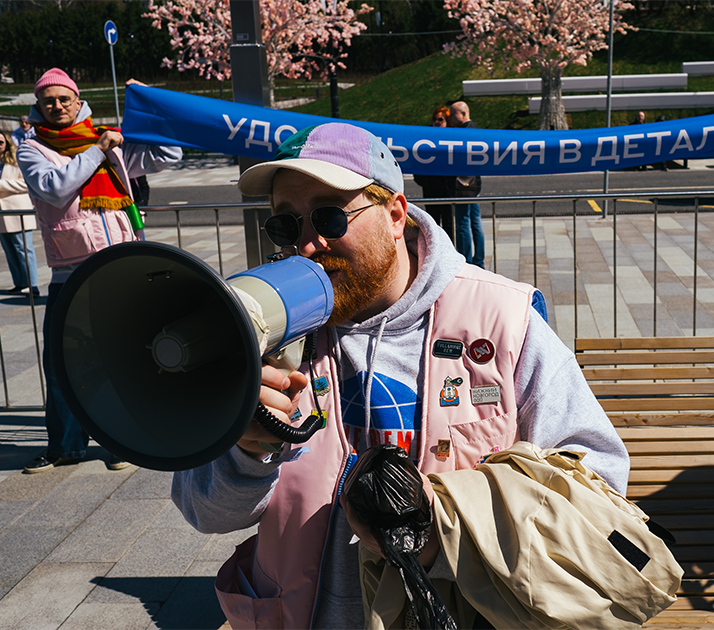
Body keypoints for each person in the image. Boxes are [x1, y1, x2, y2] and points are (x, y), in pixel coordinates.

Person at [171, 122, 631, 630]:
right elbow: (205, 512)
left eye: (329, 216)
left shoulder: (503, 320)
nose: (307, 245)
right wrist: (246, 451)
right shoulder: (267, 333)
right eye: (286, 225)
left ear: (395, 215)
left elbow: (597, 478)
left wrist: (443, 523)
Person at [17, 68, 182, 474]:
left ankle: (121, 442)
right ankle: (65, 446)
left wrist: (154, 107)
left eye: (64, 99)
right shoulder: (32, 148)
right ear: (38, 106)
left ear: (78, 101)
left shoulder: (107, 138)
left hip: (119, 265)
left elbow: (169, 156)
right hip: (69, 272)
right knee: (62, 362)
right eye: (48, 101)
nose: (57, 107)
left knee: (121, 357)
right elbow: (54, 187)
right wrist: (96, 151)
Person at [0, 131, 39, 296]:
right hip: (2, 214)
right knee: (9, 250)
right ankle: (19, 282)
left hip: (17, 211)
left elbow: (26, 184)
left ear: (7, 143)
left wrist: (2, 184)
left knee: (23, 248)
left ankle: (32, 284)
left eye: (0, 142)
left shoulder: (17, 160)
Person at [446, 101, 484, 268]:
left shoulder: (462, 133)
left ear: (462, 114)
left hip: (463, 184)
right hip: (474, 183)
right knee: (475, 221)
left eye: (452, 114)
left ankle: (466, 262)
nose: (449, 118)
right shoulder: (475, 130)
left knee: (462, 222)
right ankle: (479, 260)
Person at [412, 106, 454, 243]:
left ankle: (448, 249)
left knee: (448, 223)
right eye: (434, 119)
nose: (437, 122)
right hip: (430, 187)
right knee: (432, 223)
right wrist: (421, 180)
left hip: (446, 187)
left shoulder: (451, 137)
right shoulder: (424, 137)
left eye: (441, 119)